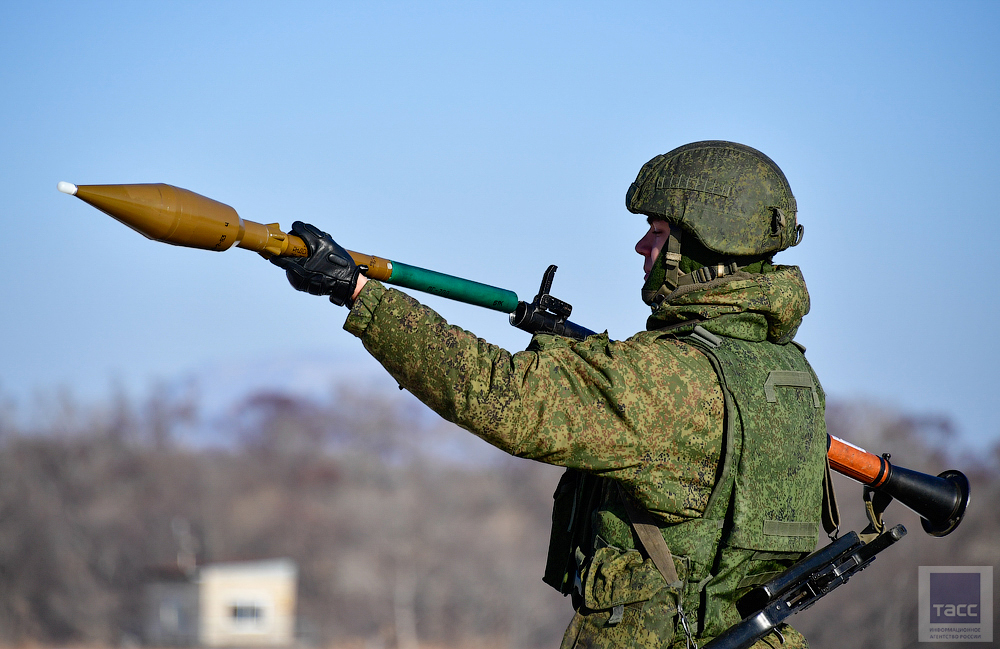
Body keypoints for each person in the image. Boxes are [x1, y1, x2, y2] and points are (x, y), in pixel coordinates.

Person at [271, 141, 829, 648]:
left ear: (703, 248)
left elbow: (502, 396)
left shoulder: (675, 378)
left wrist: (357, 292)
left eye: (657, 232)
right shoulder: (788, 376)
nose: (641, 245)